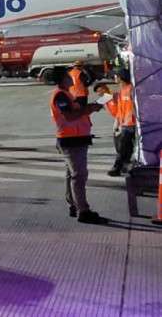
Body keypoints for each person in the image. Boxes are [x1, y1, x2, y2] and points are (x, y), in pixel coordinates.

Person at [50, 68, 107, 224]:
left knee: (72, 175)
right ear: (63, 79)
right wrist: (89, 109)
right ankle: (83, 210)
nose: (72, 79)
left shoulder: (66, 94)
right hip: (72, 141)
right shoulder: (60, 95)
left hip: (75, 139)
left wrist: (90, 108)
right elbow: (70, 116)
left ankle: (74, 205)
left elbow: (75, 113)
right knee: (79, 176)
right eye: (69, 76)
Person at [102, 69, 138, 177]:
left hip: (132, 123)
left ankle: (117, 168)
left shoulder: (132, 89)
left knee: (124, 147)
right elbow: (120, 109)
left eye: (116, 76)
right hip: (125, 124)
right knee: (126, 147)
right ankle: (124, 167)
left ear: (121, 77)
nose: (115, 78)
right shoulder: (122, 90)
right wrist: (117, 122)